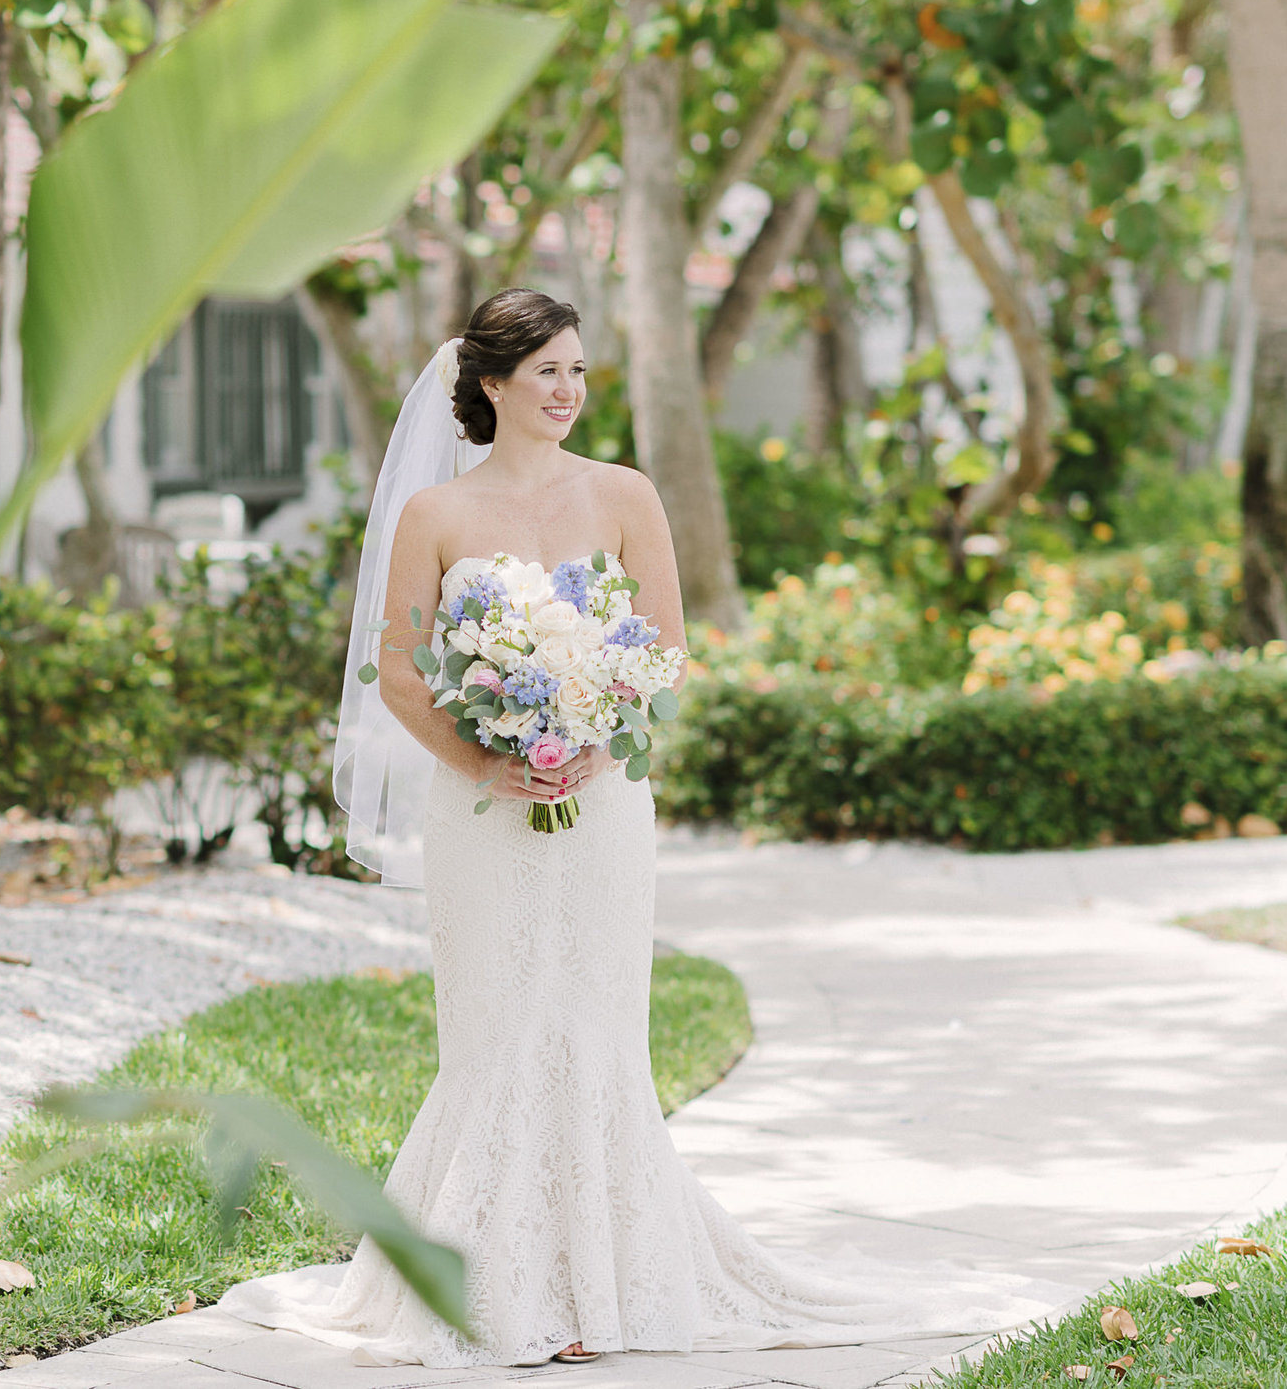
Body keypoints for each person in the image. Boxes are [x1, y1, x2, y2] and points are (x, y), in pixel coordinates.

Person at [218, 289, 1054, 1366]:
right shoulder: (435, 516)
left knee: (595, 1025)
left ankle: (603, 1287)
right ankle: (488, 1286)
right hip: (479, 812)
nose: (568, 390)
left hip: (603, 801)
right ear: (489, 384)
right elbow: (394, 668)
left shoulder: (623, 495)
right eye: (546, 372)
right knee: (498, 1026)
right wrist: (490, 755)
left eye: (577, 371)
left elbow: (663, 646)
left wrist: (585, 742)